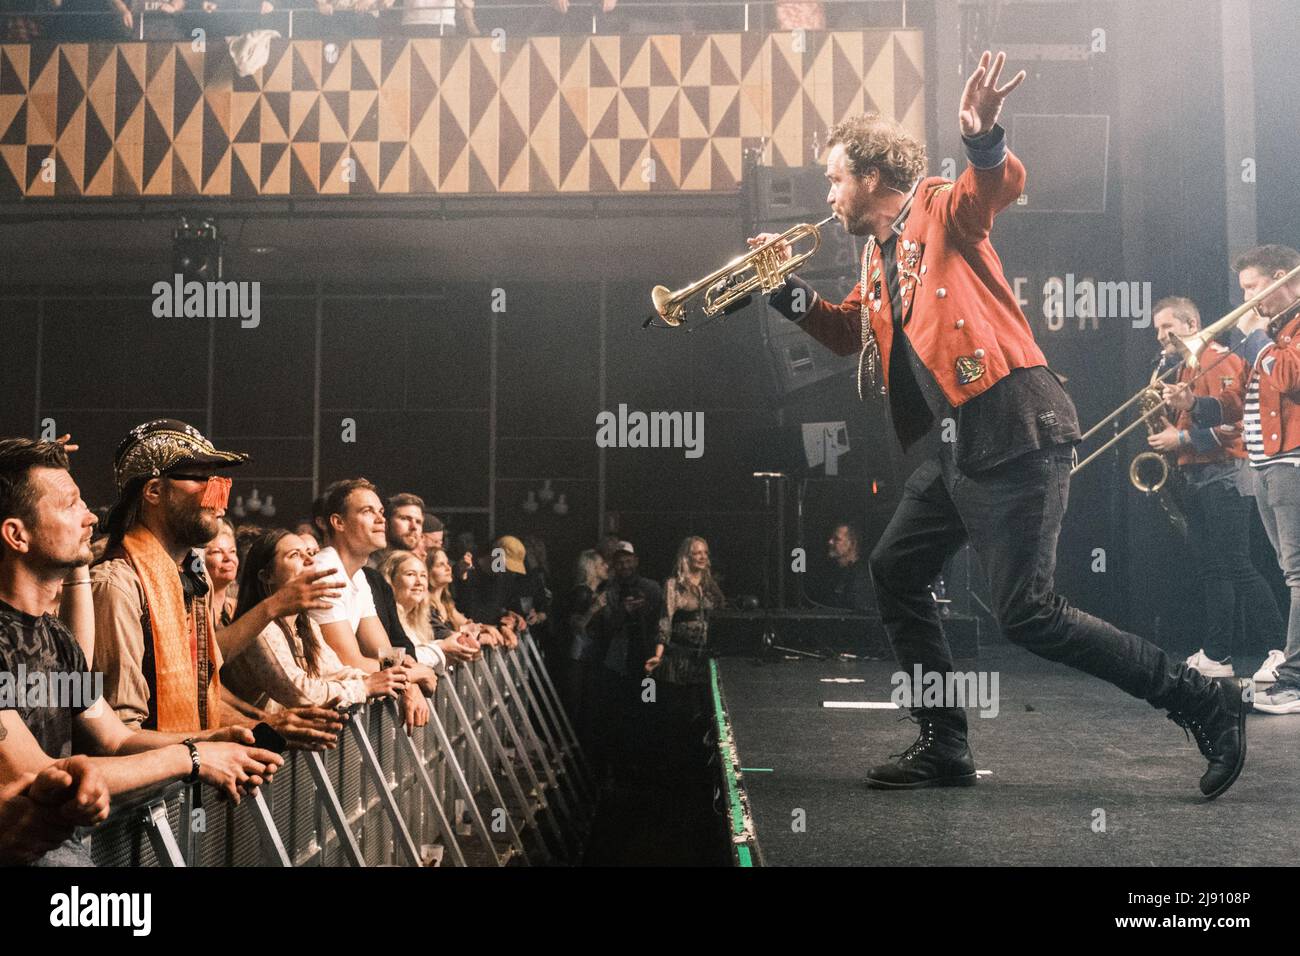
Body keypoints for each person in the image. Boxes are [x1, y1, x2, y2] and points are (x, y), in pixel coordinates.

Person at [751, 51, 1246, 798]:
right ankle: (944, 744)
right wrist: (780, 294)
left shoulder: (938, 207)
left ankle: (1203, 700)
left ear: (874, 178)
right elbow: (851, 334)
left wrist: (984, 137)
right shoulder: (875, 260)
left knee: (1029, 614)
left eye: (834, 177)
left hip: (1016, 426)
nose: (828, 193)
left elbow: (995, 187)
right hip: (958, 448)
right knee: (895, 569)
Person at [0, 438, 284, 865]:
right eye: (70, 505)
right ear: (17, 535)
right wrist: (191, 757)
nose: (91, 517)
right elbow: (34, 773)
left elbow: (115, 738)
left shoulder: (56, 637)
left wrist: (211, 740)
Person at [92, 420, 344, 750]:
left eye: (219, 482)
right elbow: (118, 736)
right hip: (148, 793)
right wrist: (219, 744)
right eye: (202, 480)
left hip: (193, 783)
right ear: (153, 491)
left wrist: (259, 725)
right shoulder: (116, 584)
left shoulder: (195, 579)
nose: (219, 499)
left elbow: (201, 688)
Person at [1165, 245, 1300, 714]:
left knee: (1292, 572)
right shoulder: (1275, 334)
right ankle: (1284, 668)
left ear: (1281, 277)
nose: (1246, 299)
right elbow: (1236, 406)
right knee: (1287, 570)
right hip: (1263, 464)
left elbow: (1292, 378)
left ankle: (1292, 674)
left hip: (1289, 462)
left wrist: (1256, 340)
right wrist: (1191, 404)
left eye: (1252, 288)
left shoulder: (1282, 333)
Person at [1144, 297, 1285, 678]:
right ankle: (1217, 654)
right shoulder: (1190, 363)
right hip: (1202, 476)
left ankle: (1279, 650)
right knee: (1213, 569)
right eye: (1157, 329)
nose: (1160, 336)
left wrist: (1183, 438)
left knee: (1237, 564)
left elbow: (1236, 425)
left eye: (1166, 327)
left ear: (1191, 323)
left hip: (1226, 475)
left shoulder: (1219, 358)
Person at [221, 531, 408, 711]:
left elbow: (338, 671)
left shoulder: (311, 621)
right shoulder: (262, 627)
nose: (311, 560)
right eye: (295, 555)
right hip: (259, 737)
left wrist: (392, 678)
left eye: (311, 553)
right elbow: (303, 693)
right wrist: (370, 685)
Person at [308, 478, 434, 732]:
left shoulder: (360, 576)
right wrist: (412, 675)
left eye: (381, 512)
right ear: (338, 522)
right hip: (312, 708)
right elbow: (350, 659)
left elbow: (384, 652)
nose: (380, 520)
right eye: (367, 511)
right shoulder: (324, 570)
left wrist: (406, 679)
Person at [379, 549, 479, 674]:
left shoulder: (418, 621)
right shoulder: (381, 619)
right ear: (390, 580)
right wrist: (442, 648)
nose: (419, 582)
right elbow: (386, 663)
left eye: (423, 575)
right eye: (410, 574)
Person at [647, 536, 723, 687]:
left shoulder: (710, 585)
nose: (703, 557)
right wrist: (658, 654)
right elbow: (665, 620)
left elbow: (720, 614)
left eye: (705, 553)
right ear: (687, 557)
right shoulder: (674, 585)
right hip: (680, 656)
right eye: (697, 553)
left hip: (704, 657)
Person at [815, 522, 876, 612]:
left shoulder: (862, 578)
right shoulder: (835, 574)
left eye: (837, 539)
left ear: (852, 544)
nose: (830, 541)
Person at [203, 519, 239, 628]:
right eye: (217, 552)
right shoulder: (193, 611)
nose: (228, 558)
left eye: (232, 551)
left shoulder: (241, 609)